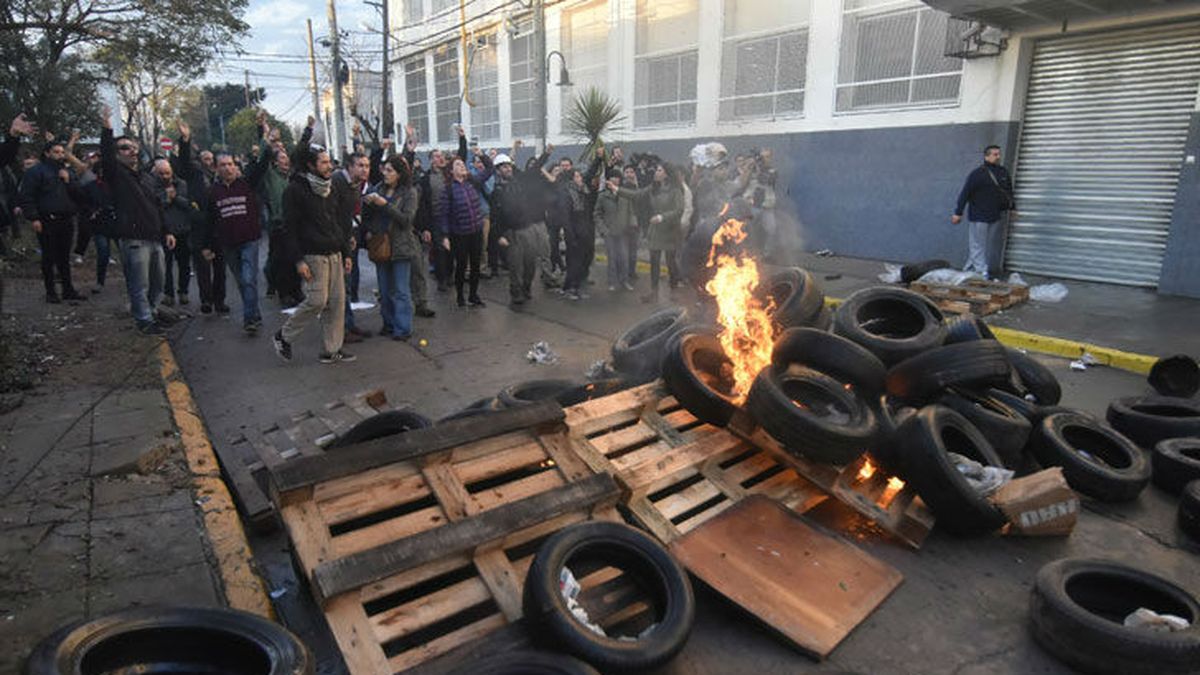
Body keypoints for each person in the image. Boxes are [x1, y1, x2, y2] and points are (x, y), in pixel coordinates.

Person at [273, 143, 355, 364]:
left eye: (330, 161)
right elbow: (289, 229)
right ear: (311, 165)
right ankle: (284, 336)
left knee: (337, 302)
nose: (329, 166)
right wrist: (298, 260)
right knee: (317, 300)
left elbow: (338, 222)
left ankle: (332, 349)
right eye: (324, 162)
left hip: (335, 252)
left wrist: (346, 252)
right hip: (312, 255)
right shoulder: (295, 190)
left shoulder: (330, 188)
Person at [99, 105, 176, 335]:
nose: (131, 151)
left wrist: (167, 231)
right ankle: (144, 320)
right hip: (134, 240)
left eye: (133, 148)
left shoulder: (146, 178)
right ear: (116, 153)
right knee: (138, 284)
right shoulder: (116, 175)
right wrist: (106, 128)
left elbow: (157, 206)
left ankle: (152, 313)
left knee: (158, 282)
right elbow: (106, 154)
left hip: (154, 238)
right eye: (124, 148)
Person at [200, 135, 269, 334]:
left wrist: (266, 140)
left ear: (235, 166)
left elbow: (261, 166)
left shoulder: (246, 184)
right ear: (216, 168)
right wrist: (207, 246)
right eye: (223, 165)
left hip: (249, 240)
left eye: (230, 164)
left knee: (249, 278)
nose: (227, 168)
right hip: (228, 243)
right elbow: (209, 221)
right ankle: (254, 312)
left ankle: (249, 320)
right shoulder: (213, 192)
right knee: (241, 280)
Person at [19, 137, 86, 303]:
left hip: (66, 220)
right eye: (56, 152)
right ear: (47, 153)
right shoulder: (36, 172)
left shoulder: (67, 172)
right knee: (48, 257)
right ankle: (51, 292)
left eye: (62, 152)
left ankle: (68, 289)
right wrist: (34, 218)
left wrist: (68, 181)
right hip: (46, 220)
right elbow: (27, 196)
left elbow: (79, 194)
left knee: (64, 257)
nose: (60, 155)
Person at [363, 155, 420, 340]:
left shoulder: (409, 192)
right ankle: (388, 323)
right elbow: (368, 218)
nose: (385, 174)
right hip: (381, 245)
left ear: (399, 173)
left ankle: (403, 328)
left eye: (390, 171)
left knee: (401, 291)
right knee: (384, 290)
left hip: (401, 246)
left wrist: (385, 204)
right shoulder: (377, 188)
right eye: (384, 170)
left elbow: (406, 220)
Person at [175, 125, 228, 314]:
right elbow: (183, 161)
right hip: (199, 228)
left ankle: (219, 301)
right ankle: (206, 300)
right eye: (204, 159)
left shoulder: (220, 178)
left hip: (219, 229)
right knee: (203, 268)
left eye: (210, 160)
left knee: (220, 268)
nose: (208, 162)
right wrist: (185, 140)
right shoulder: (195, 175)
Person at [491, 144, 551, 306]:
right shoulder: (497, 191)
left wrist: (546, 154)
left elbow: (534, 169)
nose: (507, 169)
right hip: (512, 233)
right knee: (516, 267)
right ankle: (516, 292)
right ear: (498, 170)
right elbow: (495, 217)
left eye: (508, 166)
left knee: (530, 264)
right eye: (503, 167)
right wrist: (500, 235)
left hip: (528, 228)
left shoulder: (520, 182)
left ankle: (526, 288)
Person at [619, 163, 684, 304]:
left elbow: (679, 210)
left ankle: (674, 290)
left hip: (670, 231)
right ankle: (653, 292)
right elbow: (636, 195)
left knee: (670, 262)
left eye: (659, 170)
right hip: (655, 231)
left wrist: (662, 217)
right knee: (654, 262)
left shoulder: (675, 190)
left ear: (666, 173)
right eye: (657, 170)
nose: (656, 172)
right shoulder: (653, 188)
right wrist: (616, 189)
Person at [436, 150, 493, 308]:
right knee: (461, 266)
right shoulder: (448, 189)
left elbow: (489, 169)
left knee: (475, 265)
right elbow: (444, 214)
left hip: (476, 231)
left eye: (463, 164)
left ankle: (473, 295)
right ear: (451, 171)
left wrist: (481, 154)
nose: (462, 166)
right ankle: (460, 296)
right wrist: (445, 236)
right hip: (459, 234)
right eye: (458, 165)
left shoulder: (472, 181)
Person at [953, 144, 1016, 280]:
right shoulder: (977, 174)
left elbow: (1009, 192)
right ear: (986, 156)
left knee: (983, 244)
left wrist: (1012, 208)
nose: (998, 157)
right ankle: (981, 270)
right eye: (994, 154)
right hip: (979, 216)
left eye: (999, 154)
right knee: (977, 244)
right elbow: (965, 193)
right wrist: (958, 212)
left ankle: (970, 267)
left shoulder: (1003, 172)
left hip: (995, 215)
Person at [334, 151, 373, 343]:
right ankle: (340, 330)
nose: (365, 169)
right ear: (349, 167)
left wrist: (351, 234)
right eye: (360, 165)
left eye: (367, 166)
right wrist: (344, 238)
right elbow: (333, 215)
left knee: (347, 284)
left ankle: (349, 324)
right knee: (340, 286)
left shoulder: (355, 185)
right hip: (335, 241)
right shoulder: (337, 182)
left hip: (348, 236)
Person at [152, 159, 194, 306]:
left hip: (183, 230)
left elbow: (189, 205)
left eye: (167, 173)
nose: (165, 176)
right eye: (161, 173)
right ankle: (168, 293)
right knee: (166, 265)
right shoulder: (152, 186)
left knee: (184, 264)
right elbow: (153, 207)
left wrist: (175, 198)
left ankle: (183, 291)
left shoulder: (182, 184)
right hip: (164, 231)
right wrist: (166, 199)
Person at [593, 169, 637, 292]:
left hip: (623, 232)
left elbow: (630, 212)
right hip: (609, 233)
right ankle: (612, 282)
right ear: (608, 180)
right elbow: (597, 214)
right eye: (612, 177)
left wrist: (631, 226)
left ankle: (624, 281)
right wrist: (603, 230)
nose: (615, 179)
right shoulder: (602, 196)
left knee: (623, 258)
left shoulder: (625, 195)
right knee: (612, 258)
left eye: (617, 177)